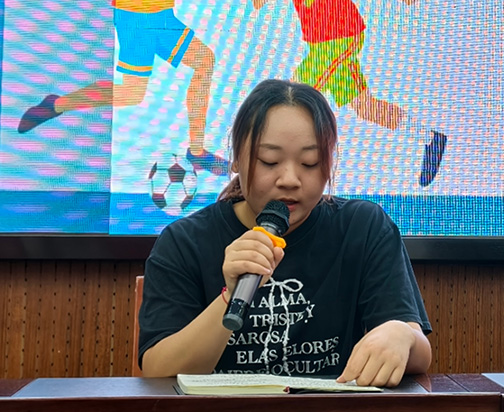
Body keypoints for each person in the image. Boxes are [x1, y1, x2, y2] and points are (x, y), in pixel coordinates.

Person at [138, 79, 432, 387]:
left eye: (309, 162)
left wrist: (402, 334)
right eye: (270, 161)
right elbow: (158, 370)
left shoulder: (363, 227)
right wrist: (229, 297)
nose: (290, 179)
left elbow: (420, 355)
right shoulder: (185, 242)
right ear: (236, 159)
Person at [17, 0, 228, 175]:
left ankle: (197, 152)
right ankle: (56, 104)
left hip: (162, 15)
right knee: (131, 93)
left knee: (204, 61)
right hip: (135, 15)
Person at [252, 0, 447, 187]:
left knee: (293, 98)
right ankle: (430, 138)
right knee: (365, 107)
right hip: (325, 42)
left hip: (337, 38)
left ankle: (267, 166)